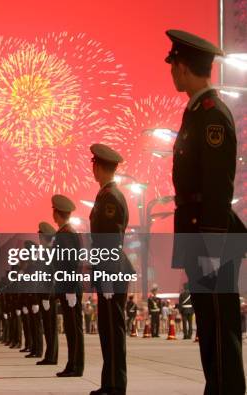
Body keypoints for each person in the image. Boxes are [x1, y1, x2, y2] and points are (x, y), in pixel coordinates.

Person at [166, 29, 246, 394]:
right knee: (208, 323)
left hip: (211, 234)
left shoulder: (212, 114)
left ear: (183, 68)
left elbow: (217, 184)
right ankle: (216, 387)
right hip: (198, 230)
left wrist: (212, 242)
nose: (171, 72)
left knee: (218, 321)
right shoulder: (197, 111)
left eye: (174, 65)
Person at [88, 143, 135, 395]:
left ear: (98, 167)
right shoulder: (106, 195)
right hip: (108, 269)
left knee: (113, 331)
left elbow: (112, 240)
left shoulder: (111, 198)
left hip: (112, 270)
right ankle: (109, 383)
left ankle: (116, 386)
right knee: (107, 331)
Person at [51, 194, 85, 378]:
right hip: (68, 286)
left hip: (69, 287)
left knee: (74, 329)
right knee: (72, 329)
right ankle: (72, 365)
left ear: (57, 214)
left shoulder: (65, 235)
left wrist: (70, 289)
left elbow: (70, 263)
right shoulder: (68, 233)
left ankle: (75, 366)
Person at [35, 222, 58, 366]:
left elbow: (51, 275)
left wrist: (47, 296)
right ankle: (49, 355)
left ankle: (51, 356)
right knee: (48, 327)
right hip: (45, 295)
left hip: (48, 295)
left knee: (50, 327)